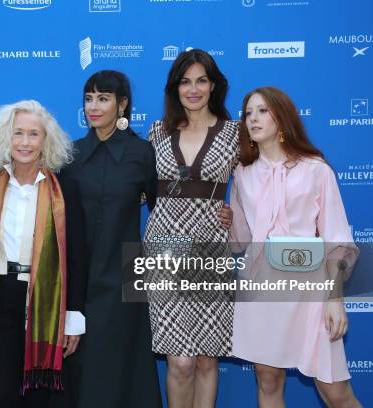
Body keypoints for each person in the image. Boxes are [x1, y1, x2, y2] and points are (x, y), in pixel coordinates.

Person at [230, 86, 361, 408]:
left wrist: (334, 299)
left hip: (309, 290)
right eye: (248, 113)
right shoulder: (242, 174)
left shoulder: (316, 170)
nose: (253, 119)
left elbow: (336, 240)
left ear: (283, 117)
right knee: (267, 378)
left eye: (262, 111)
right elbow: (240, 241)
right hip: (260, 286)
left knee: (335, 390)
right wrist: (226, 218)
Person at [0, 99, 86, 408]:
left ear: (46, 140)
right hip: (0, 298)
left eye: (33, 134)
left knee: (38, 396)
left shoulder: (65, 189)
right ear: (6, 137)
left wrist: (73, 319)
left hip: (46, 300)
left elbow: (78, 256)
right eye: (18, 133)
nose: (25, 142)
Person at [57, 70, 163, 408]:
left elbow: (165, 210)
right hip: (79, 280)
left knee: (121, 370)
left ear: (123, 104)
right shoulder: (69, 156)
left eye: (103, 98)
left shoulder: (143, 153)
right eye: (89, 98)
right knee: (81, 369)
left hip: (124, 278)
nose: (93, 106)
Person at [143, 49, 240, 408]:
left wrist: (235, 214)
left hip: (211, 247)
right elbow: (138, 187)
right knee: (179, 361)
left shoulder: (234, 133)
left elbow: (254, 185)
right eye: (185, 82)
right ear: (175, 88)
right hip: (165, 247)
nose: (193, 89)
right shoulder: (156, 131)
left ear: (213, 86)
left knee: (205, 359)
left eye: (201, 80)